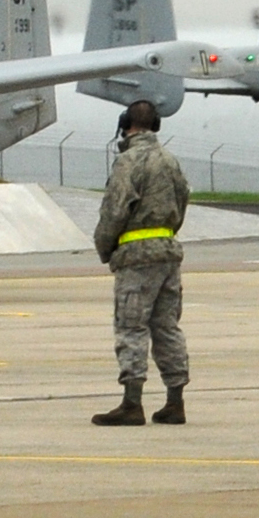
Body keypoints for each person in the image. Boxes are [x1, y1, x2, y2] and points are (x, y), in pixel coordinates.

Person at [93, 100, 190, 426]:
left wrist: (104, 247)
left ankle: (132, 403)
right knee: (167, 327)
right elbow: (182, 200)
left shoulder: (128, 161)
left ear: (126, 123)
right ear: (156, 125)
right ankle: (175, 402)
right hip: (167, 253)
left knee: (132, 327)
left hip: (136, 259)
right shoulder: (171, 161)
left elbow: (115, 210)